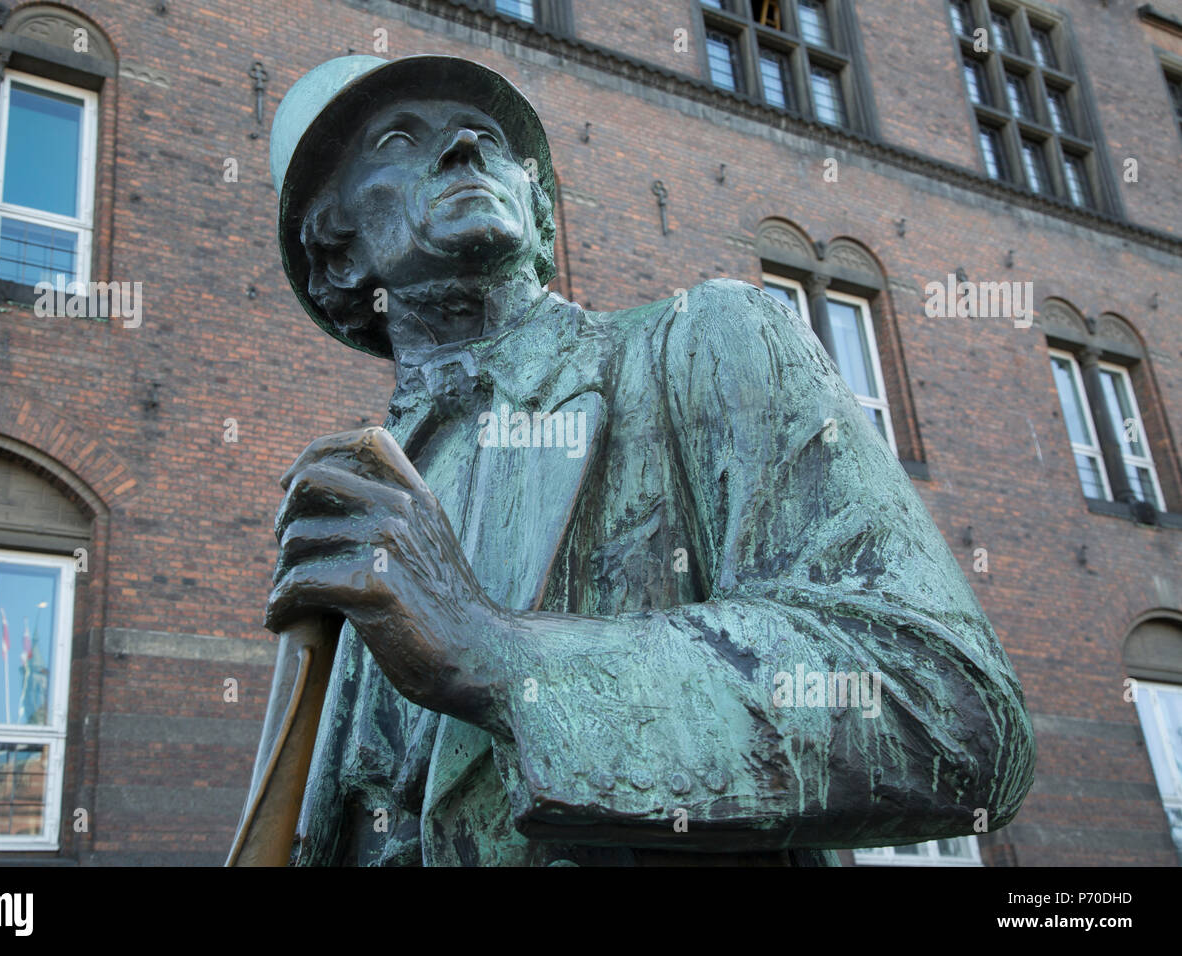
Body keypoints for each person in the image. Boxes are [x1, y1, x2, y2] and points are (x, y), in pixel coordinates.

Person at [243, 54, 1034, 866]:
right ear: (338, 256)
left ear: (539, 211)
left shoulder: (711, 342)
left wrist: (495, 656)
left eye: (487, 137)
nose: (464, 149)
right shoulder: (355, 505)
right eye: (398, 140)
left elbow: (953, 709)